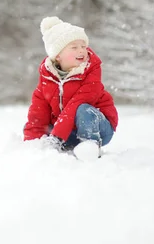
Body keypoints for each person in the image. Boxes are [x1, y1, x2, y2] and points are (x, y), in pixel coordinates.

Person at [23, 16, 118, 159]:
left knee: (83, 109)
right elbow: (37, 114)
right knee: (41, 126)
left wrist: (56, 137)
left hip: (98, 128)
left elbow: (77, 104)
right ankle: (63, 146)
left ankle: (90, 147)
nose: (81, 51)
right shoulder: (47, 80)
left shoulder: (90, 73)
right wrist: (31, 144)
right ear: (58, 56)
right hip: (67, 133)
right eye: (74, 47)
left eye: (83, 46)